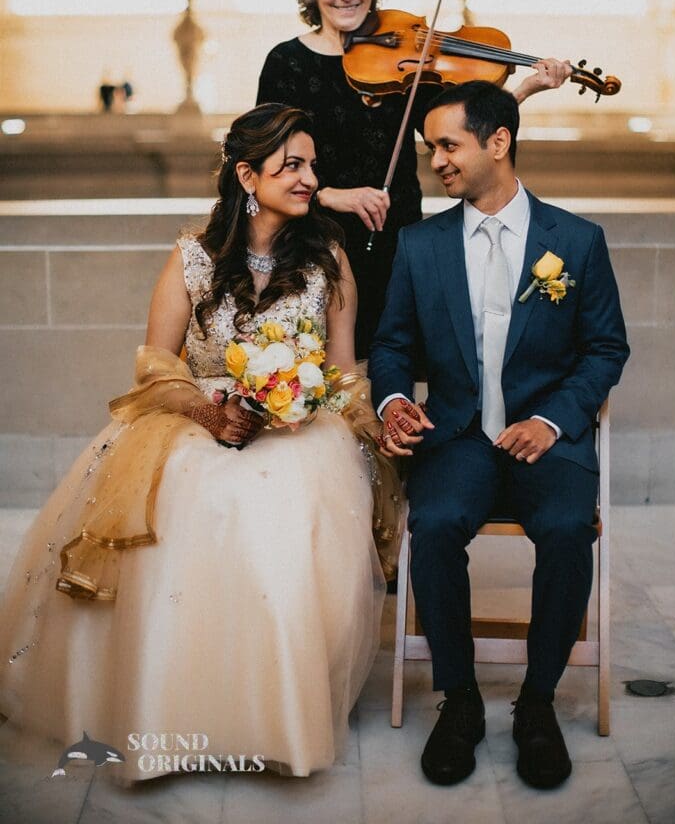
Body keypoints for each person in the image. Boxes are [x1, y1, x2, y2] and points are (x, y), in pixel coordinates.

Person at [0, 103, 389, 782]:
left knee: (286, 512)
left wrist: (361, 420)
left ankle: (274, 721)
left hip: (299, 428)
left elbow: (345, 373)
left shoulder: (328, 257)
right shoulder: (194, 255)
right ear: (246, 174)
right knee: (183, 505)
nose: (308, 180)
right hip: (195, 420)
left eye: (311, 165)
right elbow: (156, 363)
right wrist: (212, 414)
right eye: (290, 165)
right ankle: (165, 717)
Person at [369, 81, 629, 790]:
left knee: (567, 527)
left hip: (547, 437)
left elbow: (604, 349)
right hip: (455, 435)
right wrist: (393, 400)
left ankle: (536, 704)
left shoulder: (573, 241)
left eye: (448, 145)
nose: (437, 161)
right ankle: (457, 702)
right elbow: (391, 346)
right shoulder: (419, 246)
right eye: (431, 149)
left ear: (497, 142)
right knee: (438, 521)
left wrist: (551, 421)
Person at [257, 0, 572, 357]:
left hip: (394, 228)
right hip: (312, 233)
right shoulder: (286, 63)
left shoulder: (407, 59)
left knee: (392, 357)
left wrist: (527, 87)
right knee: (320, 362)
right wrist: (332, 195)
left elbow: (461, 131)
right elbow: (268, 161)